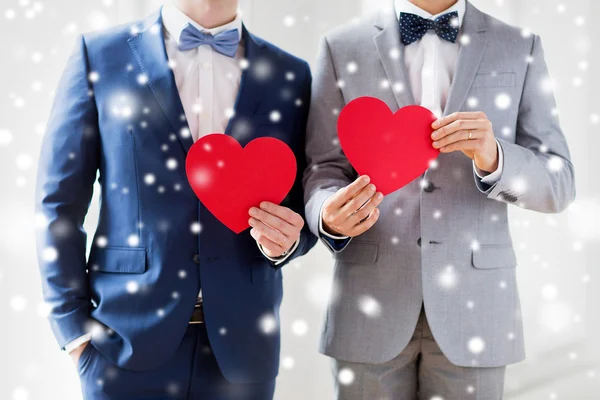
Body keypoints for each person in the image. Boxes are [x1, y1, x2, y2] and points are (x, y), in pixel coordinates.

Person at [35, 0, 316, 398]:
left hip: (242, 351)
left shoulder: (290, 74)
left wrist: (290, 240)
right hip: (121, 343)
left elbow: (304, 202)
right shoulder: (100, 55)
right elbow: (58, 201)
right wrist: (72, 331)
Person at [303, 0, 575, 398]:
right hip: (368, 303)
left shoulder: (520, 45)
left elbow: (560, 182)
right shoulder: (342, 46)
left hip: (477, 310)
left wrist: (495, 156)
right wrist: (327, 213)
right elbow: (321, 168)